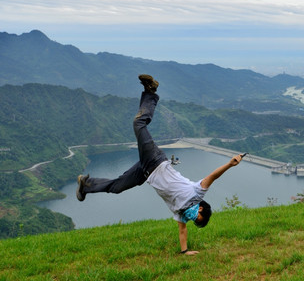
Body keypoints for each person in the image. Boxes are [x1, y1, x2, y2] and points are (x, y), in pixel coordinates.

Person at [76, 74, 245, 255]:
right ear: (201, 208)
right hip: (155, 160)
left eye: (195, 222)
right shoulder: (197, 193)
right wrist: (230, 164)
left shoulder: (180, 212)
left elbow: (182, 231)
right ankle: (150, 93)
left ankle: (86, 185)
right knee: (139, 123)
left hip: (146, 171)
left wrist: (185, 251)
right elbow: (213, 176)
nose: (193, 219)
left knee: (117, 187)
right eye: (198, 218)